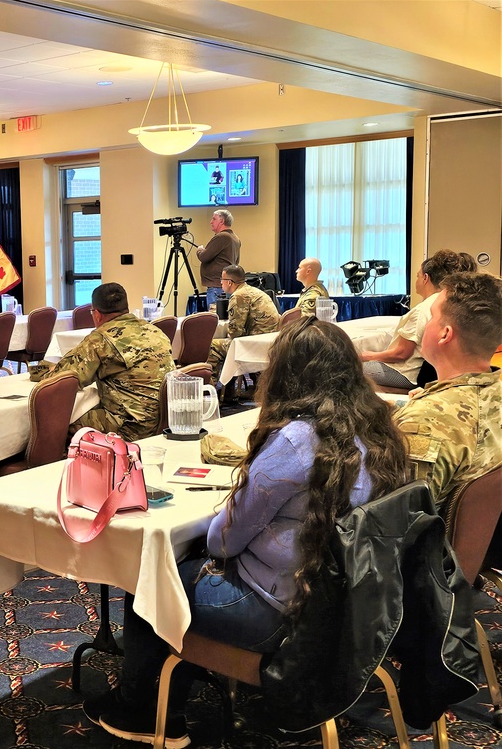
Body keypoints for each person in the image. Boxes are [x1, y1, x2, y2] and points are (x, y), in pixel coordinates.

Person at [85, 317, 409, 747]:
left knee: (149, 582)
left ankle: (144, 712)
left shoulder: (296, 440)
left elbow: (225, 541)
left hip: (281, 612)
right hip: (349, 604)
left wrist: (233, 508)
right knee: (178, 568)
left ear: (285, 375)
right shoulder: (377, 430)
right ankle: (186, 675)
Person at [392, 271, 502, 508]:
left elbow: (394, 522)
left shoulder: (425, 422)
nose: (427, 324)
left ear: (445, 334)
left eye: (431, 316)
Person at [29, 282, 174, 441]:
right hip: (165, 420)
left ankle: (51, 465)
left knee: (60, 423)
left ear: (97, 314)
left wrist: (45, 369)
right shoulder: (154, 330)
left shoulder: (100, 339)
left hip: (130, 426)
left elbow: (62, 379)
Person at [360, 249, 465, 389]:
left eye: (417, 276)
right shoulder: (449, 302)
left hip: (408, 372)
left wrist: (369, 356)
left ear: (425, 278)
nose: (416, 281)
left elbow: (401, 354)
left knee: (349, 368)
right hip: (433, 370)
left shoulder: (423, 309)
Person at [206, 264, 280, 387]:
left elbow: (236, 332)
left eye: (222, 280)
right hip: (268, 341)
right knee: (225, 343)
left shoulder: (239, 296)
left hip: (254, 344)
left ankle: (211, 389)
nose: (220, 283)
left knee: (213, 345)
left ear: (229, 282)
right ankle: (229, 389)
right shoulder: (253, 291)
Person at [196, 210, 240, 310]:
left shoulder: (222, 237)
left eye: (214, 219)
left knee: (216, 320)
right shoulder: (235, 238)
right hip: (225, 287)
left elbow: (204, 256)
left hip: (217, 287)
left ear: (222, 221)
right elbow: (236, 262)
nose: (211, 222)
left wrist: (199, 250)